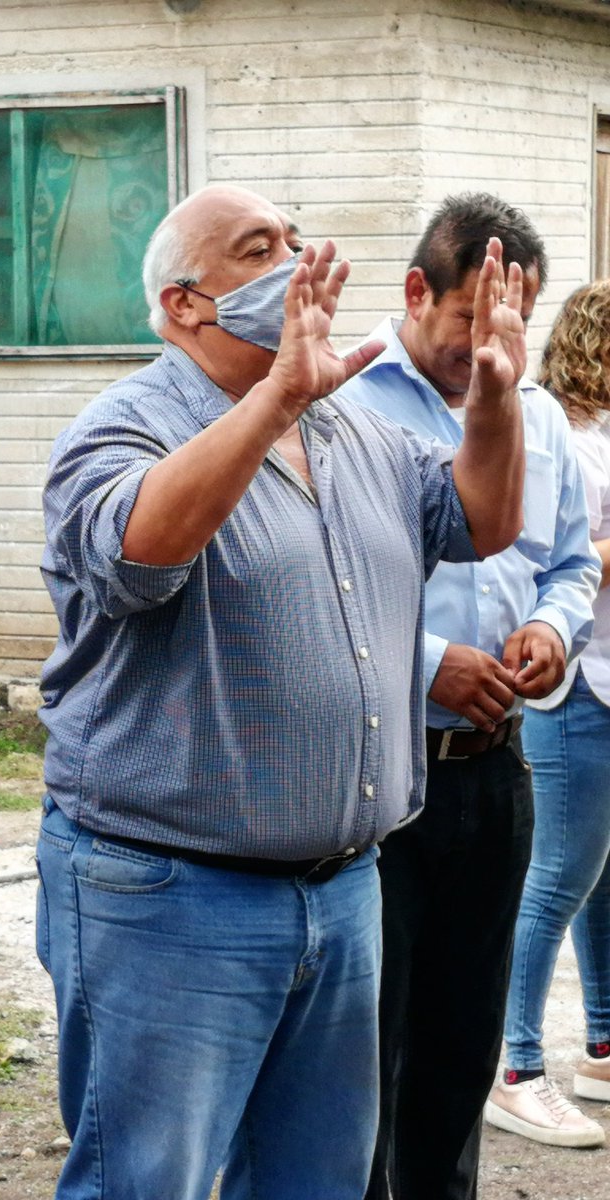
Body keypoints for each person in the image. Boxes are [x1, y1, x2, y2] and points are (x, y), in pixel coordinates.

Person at [35, 182, 529, 1200]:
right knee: (144, 1181)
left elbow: (479, 520)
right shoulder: (122, 426)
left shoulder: (357, 431)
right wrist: (276, 402)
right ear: (183, 304)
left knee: (317, 1179)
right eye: (259, 251)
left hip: (343, 889)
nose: (296, 265)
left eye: (296, 241)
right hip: (171, 897)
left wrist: (491, 397)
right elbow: (139, 554)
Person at [338, 193, 600, 1197]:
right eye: (473, 316)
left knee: (461, 1040)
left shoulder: (534, 414)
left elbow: (570, 563)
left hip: (496, 772)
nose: (493, 342)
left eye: (515, 319)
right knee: (367, 1047)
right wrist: (428, 660)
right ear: (416, 290)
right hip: (380, 778)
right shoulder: (345, 403)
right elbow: (316, 585)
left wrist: (549, 630)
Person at [484, 280, 610, 1147]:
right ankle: (513, 1067)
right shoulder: (559, 437)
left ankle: (602, 1042)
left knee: (604, 875)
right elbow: (551, 561)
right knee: (555, 879)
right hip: (573, 685)